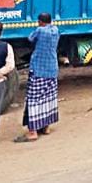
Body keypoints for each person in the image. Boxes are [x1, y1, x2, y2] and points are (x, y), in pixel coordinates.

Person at [15, 13, 59, 143]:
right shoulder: (56, 30)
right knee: (48, 98)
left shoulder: (40, 30)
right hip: (52, 69)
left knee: (34, 100)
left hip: (39, 69)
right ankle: (46, 127)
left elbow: (30, 39)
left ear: (40, 22)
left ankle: (32, 131)